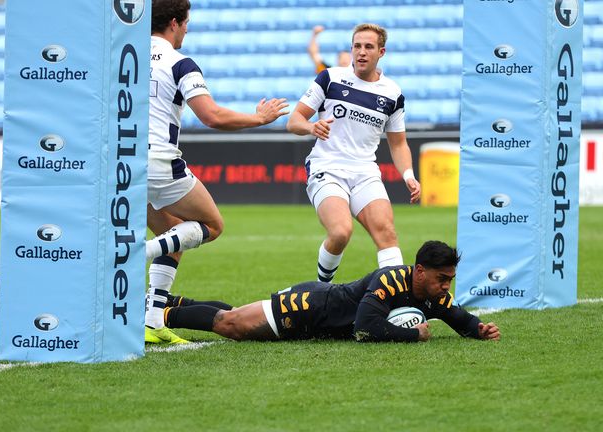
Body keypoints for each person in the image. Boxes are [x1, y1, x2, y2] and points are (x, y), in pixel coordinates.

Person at [145, 0, 289, 344]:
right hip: (159, 163)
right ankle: (137, 251)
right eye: (187, 22)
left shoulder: (123, 57)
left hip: (120, 165)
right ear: (176, 22)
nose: (187, 29)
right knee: (212, 225)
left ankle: (151, 321)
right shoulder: (180, 63)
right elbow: (212, 116)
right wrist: (261, 119)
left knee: (173, 233)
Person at [287, 23, 421, 284]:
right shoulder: (330, 78)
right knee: (340, 232)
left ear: (381, 52)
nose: (361, 52)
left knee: (387, 233)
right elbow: (294, 121)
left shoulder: (393, 93)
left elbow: (398, 143)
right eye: (357, 46)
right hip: (327, 166)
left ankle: (396, 301)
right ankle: (322, 292)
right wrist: (311, 126)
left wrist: (408, 175)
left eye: (368, 47)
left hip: (365, 172)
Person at [163, 240, 501, 343]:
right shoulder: (390, 280)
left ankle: (173, 301)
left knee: (241, 313)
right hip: (312, 307)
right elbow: (365, 327)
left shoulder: (435, 295)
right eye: (442, 279)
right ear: (420, 271)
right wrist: (412, 335)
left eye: (450, 280)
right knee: (231, 325)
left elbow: (457, 317)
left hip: (319, 318)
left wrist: (477, 329)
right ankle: (159, 316)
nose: (446, 287)